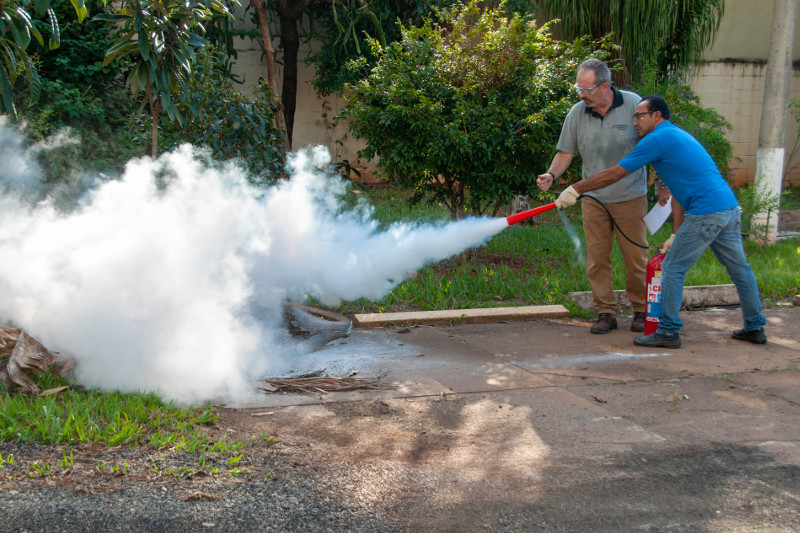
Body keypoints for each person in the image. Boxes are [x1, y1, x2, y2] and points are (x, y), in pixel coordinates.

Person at [555, 95, 767, 348]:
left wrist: (576, 189)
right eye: (633, 116)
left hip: (707, 211)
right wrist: (677, 233)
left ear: (657, 116)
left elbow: (615, 173)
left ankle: (667, 331)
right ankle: (755, 326)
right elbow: (679, 191)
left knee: (672, 269)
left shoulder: (657, 139)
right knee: (739, 269)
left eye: (640, 116)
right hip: (728, 208)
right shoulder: (675, 135)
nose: (635, 122)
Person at [538, 59, 648, 335]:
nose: (581, 94)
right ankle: (605, 312)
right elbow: (566, 153)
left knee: (635, 257)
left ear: (605, 86)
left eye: (586, 89)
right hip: (593, 199)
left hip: (630, 197)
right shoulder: (577, 113)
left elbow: (652, 144)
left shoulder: (634, 106)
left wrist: (662, 184)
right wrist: (551, 175)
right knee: (597, 259)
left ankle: (642, 311)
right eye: (579, 88)